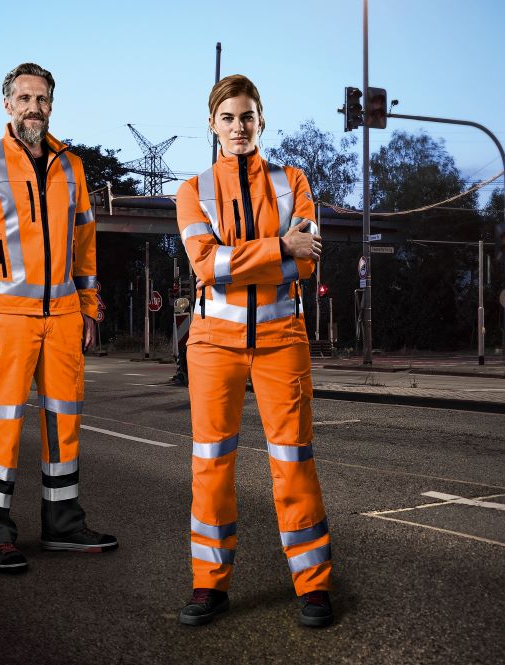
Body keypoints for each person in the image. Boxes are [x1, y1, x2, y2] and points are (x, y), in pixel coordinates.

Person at [0, 63, 117, 573]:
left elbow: (85, 247)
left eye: (41, 99)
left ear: (51, 104)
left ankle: (63, 527)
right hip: (6, 321)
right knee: (0, 427)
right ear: (7, 105)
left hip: (63, 318)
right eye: (23, 99)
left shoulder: (73, 167)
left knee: (64, 425)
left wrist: (89, 307)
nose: (32, 108)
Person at [176, 74, 333, 627]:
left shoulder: (294, 181)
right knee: (210, 467)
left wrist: (246, 256)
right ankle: (208, 586)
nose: (238, 127)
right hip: (213, 346)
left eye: (247, 116)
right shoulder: (192, 189)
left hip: (281, 342)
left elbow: (306, 261)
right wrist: (276, 247)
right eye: (227, 118)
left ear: (261, 120)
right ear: (212, 125)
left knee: (293, 463)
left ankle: (313, 586)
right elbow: (205, 266)